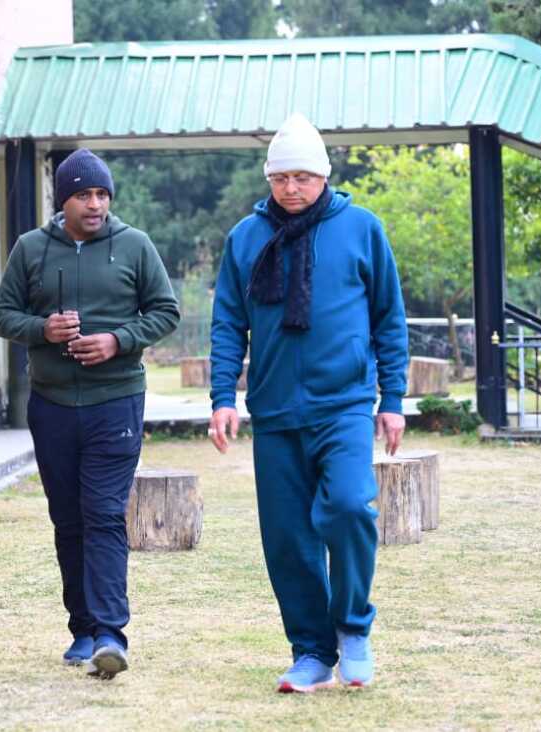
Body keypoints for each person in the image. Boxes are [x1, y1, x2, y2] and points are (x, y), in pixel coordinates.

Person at [208, 114, 408, 692]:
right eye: (280, 178)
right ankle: (312, 653)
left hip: (343, 403)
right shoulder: (246, 238)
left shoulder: (362, 229)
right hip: (274, 411)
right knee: (288, 539)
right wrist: (223, 396)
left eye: (302, 177)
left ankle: (353, 628)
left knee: (348, 508)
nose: (290, 188)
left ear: (324, 176)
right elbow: (228, 323)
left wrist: (393, 398)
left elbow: (389, 318)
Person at [0, 149, 179, 680]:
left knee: (103, 513)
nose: (94, 205)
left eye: (102, 195)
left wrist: (118, 340)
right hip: (51, 405)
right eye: (83, 195)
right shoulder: (30, 248)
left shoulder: (135, 245)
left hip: (115, 401)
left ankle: (110, 633)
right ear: (63, 200)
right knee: (68, 518)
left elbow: (165, 311)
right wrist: (42, 330)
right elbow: (2, 315)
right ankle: (82, 628)